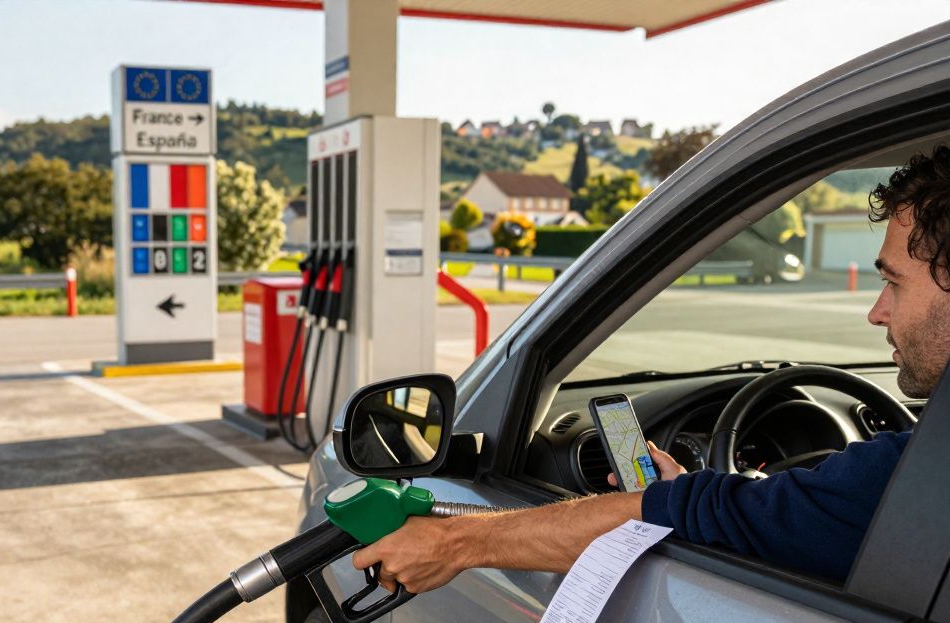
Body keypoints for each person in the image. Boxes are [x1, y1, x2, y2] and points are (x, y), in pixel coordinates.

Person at [354, 145, 950, 588]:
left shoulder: (912, 477)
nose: (876, 313)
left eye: (892, 283)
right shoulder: (915, 460)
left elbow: (694, 513)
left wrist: (454, 543)